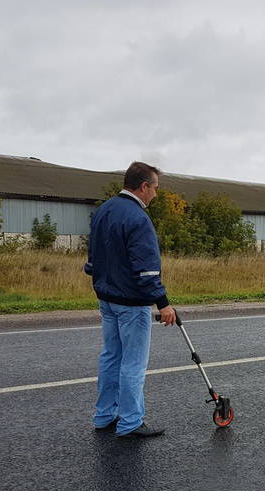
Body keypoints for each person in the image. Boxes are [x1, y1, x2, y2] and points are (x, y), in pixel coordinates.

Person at [84, 161, 176, 438]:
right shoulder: (138, 218)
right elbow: (147, 269)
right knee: (133, 363)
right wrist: (163, 303)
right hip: (131, 302)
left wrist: (99, 276)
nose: (156, 195)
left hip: (106, 298)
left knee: (111, 356)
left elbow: (92, 257)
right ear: (143, 186)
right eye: (155, 188)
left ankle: (104, 416)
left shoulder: (103, 210)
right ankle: (130, 422)